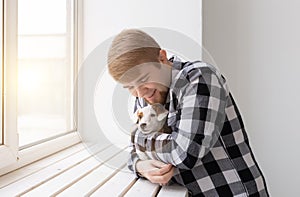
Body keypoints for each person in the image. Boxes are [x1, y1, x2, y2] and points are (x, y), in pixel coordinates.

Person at [107, 29, 269, 196]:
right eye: (130, 87)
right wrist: (140, 167)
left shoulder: (200, 78)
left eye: (143, 80)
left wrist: (138, 138)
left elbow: (185, 153)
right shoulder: (146, 95)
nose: (140, 94)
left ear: (162, 58)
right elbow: (134, 152)